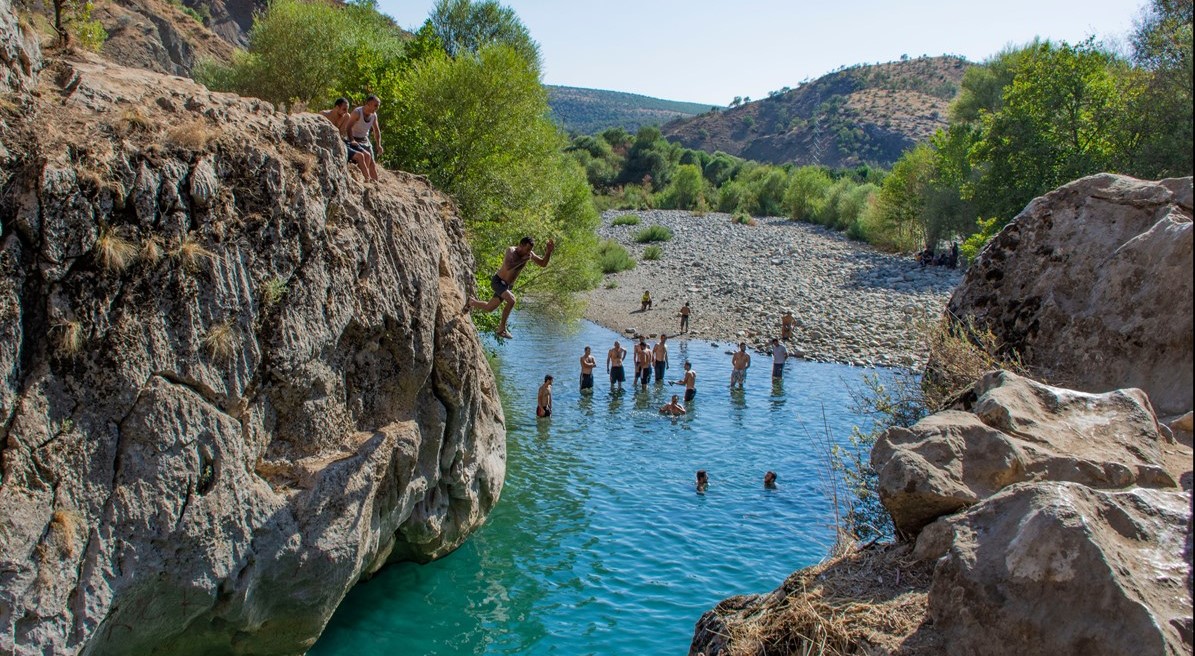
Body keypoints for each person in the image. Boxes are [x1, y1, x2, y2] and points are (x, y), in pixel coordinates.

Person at [467, 237, 555, 339]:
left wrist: (548, 252)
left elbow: (543, 264)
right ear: (520, 245)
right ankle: (501, 329)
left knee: (489, 307)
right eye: (527, 249)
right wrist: (523, 260)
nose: (528, 252)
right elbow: (509, 266)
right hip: (498, 282)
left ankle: (471, 302)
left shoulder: (529, 254)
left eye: (530, 250)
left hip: (507, 286)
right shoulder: (511, 251)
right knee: (512, 300)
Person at [320, 98, 377, 181]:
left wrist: (352, 141)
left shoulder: (346, 116)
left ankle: (365, 178)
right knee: (360, 156)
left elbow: (342, 133)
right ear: (336, 107)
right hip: (329, 142)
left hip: (341, 140)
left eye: (347, 109)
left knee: (367, 155)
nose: (346, 112)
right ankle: (367, 179)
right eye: (344, 109)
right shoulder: (324, 115)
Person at [341, 95, 384, 162]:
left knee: (372, 163)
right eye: (376, 105)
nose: (377, 108)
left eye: (378, 106)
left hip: (364, 140)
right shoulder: (357, 112)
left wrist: (379, 145)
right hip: (354, 139)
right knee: (363, 158)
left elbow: (376, 130)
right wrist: (352, 140)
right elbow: (348, 127)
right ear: (369, 104)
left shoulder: (374, 115)